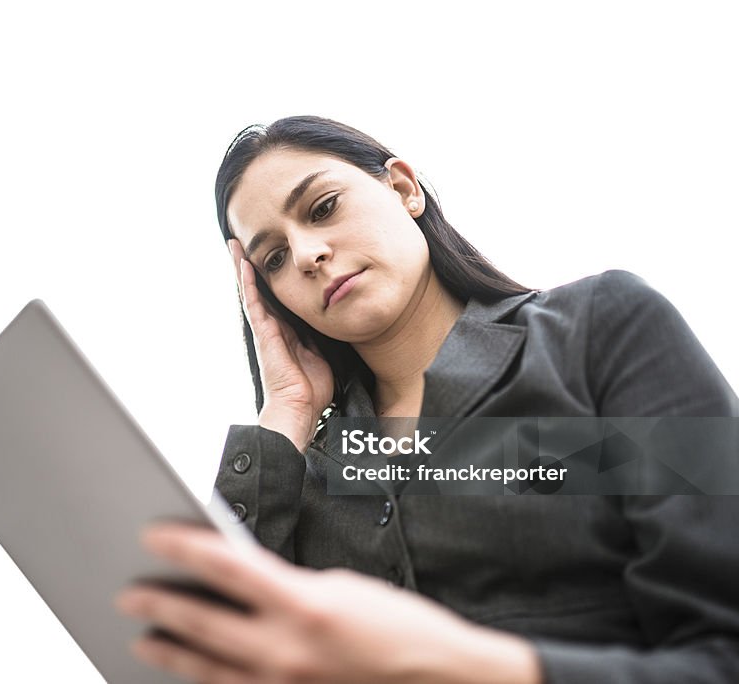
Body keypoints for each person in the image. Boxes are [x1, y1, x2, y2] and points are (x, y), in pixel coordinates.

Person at [114, 116, 739, 683]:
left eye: (323, 207)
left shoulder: (597, 332)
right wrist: (284, 410)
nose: (307, 255)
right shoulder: (303, 477)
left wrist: (458, 664)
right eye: (273, 258)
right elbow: (197, 662)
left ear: (403, 188)